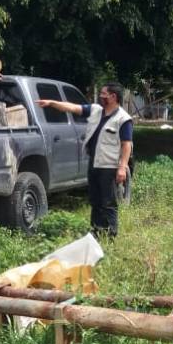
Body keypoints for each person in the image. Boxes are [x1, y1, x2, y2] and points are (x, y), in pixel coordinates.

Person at [37, 83, 133, 238]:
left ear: (113, 96)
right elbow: (73, 107)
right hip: (94, 163)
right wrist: (52, 103)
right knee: (95, 200)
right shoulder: (96, 110)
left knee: (108, 202)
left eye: (103, 94)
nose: (100, 96)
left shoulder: (123, 118)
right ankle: (96, 231)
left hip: (109, 166)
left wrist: (122, 167)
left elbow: (126, 145)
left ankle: (110, 235)